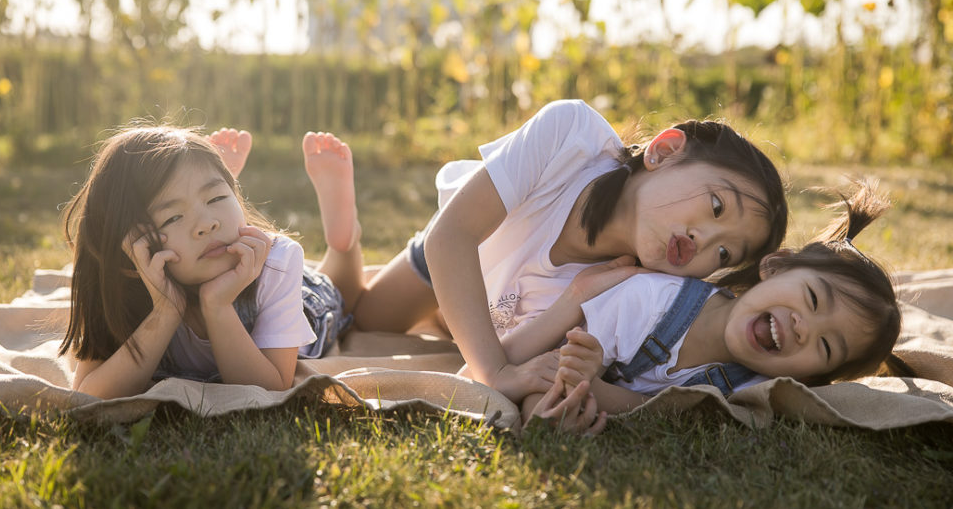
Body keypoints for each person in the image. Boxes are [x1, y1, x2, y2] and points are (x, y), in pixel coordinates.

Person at [334, 99, 790, 402]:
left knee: (453, 328)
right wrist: (492, 371)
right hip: (455, 257)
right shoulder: (571, 137)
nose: (704, 243)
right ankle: (345, 239)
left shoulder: (638, 290)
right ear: (664, 151)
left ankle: (444, 317)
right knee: (367, 317)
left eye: (726, 254)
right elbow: (450, 238)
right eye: (715, 207)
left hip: (497, 309)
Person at [508, 180, 900, 431]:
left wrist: (592, 392)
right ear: (776, 266)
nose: (804, 328)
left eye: (826, 346)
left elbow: (661, 412)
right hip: (522, 307)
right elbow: (545, 369)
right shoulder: (649, 300)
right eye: (813, 299)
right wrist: (549, 407)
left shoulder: (756, 388)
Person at [59, 125, 363, 399]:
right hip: (198, 267)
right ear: (129, 246)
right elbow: (90, 394)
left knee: (349, 298)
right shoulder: (122, 285)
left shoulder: (278, 262)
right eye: (173, 217)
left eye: (216, 198)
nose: (206, 224)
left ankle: (345, 243)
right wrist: (166, 309)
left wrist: (217, 306)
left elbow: (271, 388)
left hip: (284, 292)